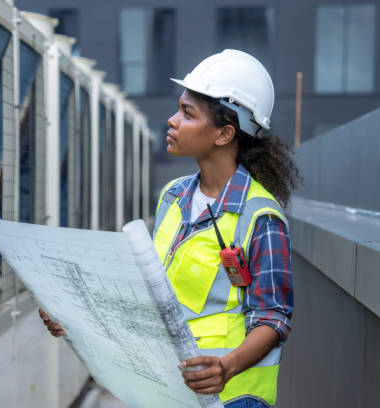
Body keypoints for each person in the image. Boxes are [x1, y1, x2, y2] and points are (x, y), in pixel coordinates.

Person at [40, 49, 299, 408]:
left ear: (224, 133)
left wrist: (227, 366)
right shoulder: (173, 196)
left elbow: (273, 317)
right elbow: (154, 298)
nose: (172, 120)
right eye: (179, 108)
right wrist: (77, 322)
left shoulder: (260, 217)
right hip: (168, 391)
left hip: (234, 398)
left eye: (187, 113)